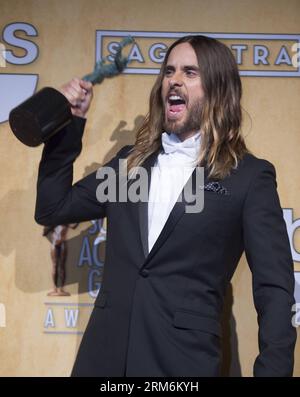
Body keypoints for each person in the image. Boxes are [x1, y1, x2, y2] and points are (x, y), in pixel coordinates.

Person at [34, 35, 296, 377]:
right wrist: (67, 128)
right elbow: (53, 208)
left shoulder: (248, 177)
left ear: (218, 89)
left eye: (190, 72)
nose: (174, 80)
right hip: (103, 359)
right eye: (169, 71)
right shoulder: (130, 165)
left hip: (182, 363)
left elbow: (274, 287)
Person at [43, 223, 78, 296]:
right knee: (55, 265)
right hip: (54, 244)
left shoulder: (66, 220)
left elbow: (73, 226)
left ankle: (61, 289)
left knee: (62, 266)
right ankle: (55, 288)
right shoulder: (54, 220)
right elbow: (44, 232)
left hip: (62, 243)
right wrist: (49, 227)